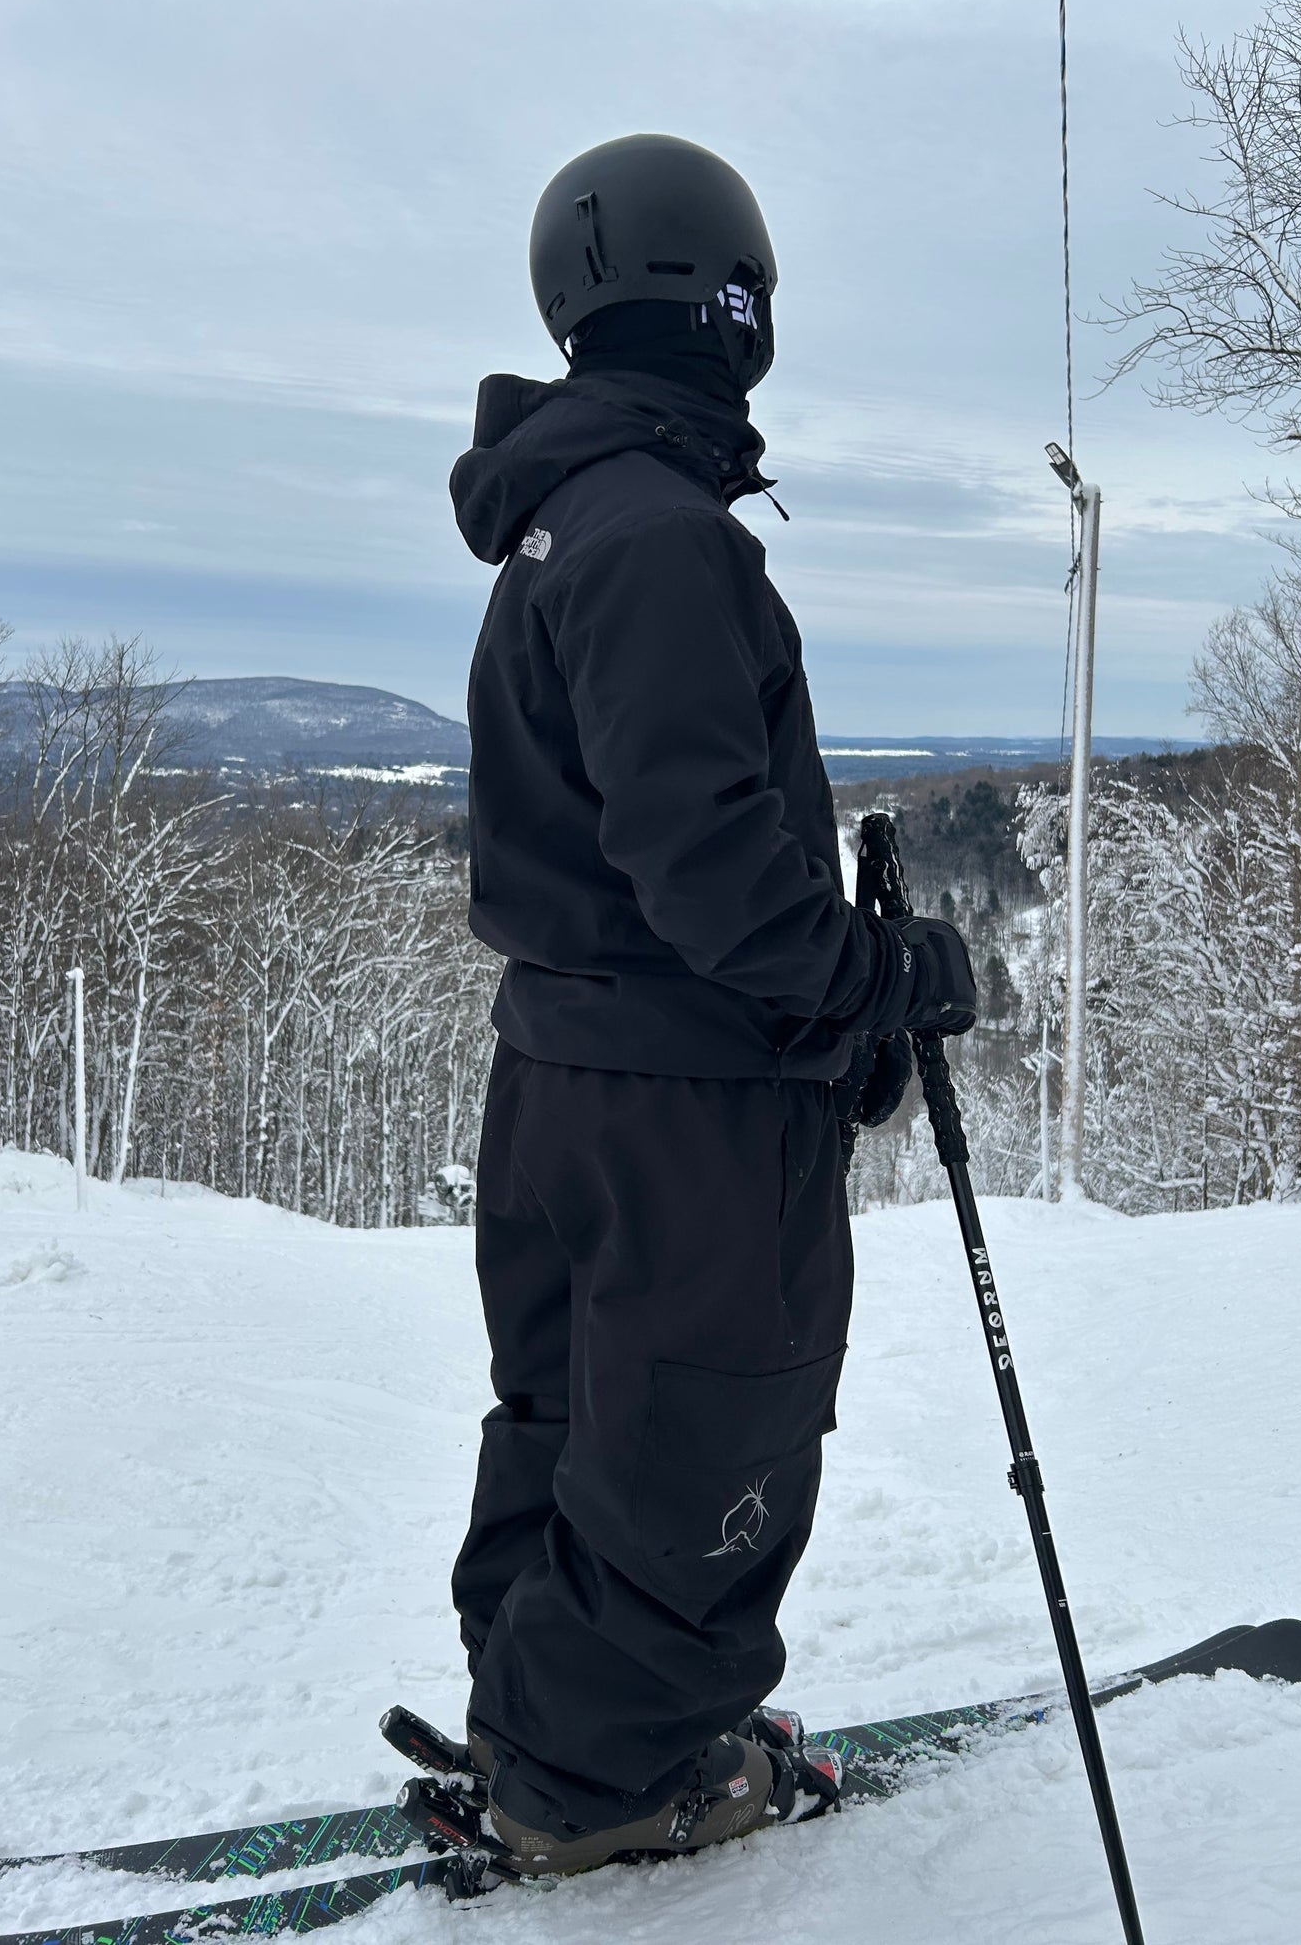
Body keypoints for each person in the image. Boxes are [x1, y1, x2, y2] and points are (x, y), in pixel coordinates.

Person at [447, 134, 975, 1875]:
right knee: (700, 1436)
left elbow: (635, 848)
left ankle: (559, 1717)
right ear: (721, 298)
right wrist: (874, 983)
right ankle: (589, 1787)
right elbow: (708, 863)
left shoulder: (561, 526)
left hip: (565, 1075)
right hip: (676, 1107)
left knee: (580, 1411)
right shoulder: (660, 537)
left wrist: (838, 1014)